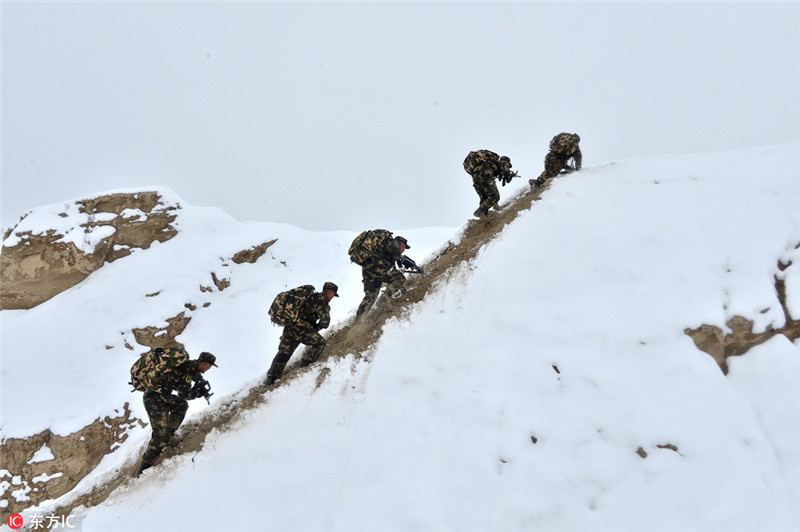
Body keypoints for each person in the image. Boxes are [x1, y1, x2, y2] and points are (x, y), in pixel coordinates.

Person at [135, 351, 217, 476]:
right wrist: (197, 392)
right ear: (205, 364)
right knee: (159, 436)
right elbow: (184, 394)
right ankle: (143, 468)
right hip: (154, 400)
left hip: (161, 396)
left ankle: (169, 434)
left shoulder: (190, 367)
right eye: (209, 366)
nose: (209, 369)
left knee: (181, 405)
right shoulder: (188, 370)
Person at [265, 281, 339, 387]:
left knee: (284, 352)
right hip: (302, 329)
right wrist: (317, 327)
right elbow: (325, 322)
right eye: (333, 295)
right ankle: (305, 365)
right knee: (320, 343)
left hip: (290, 327)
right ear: (330, 292)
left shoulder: (309, 296)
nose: (332, 298)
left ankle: (271, 378)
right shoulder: (322, 300)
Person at [355, 234, 410, 317]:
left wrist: (399, 259)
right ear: (401, 244)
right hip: (378, 268)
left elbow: (391, 266)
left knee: (371, 296)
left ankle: (358, 322)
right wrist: (401, 259)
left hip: (368, 271)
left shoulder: (384, 247)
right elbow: (393, 250)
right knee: (400, 278)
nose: (403, 250)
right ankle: (384, 298)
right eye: (404, 247)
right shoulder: (392, 243)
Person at [462, 150, 516, 218]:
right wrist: (508, 175)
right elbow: (504, 169)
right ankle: (481, 211)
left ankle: (483, 217)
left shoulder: (488, 161)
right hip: (485, 175)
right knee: (495, 197)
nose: (508, 166)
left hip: (475, 177)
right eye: (509, 165)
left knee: (484, 198)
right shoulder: (501, 162)